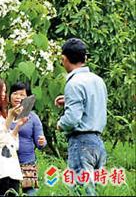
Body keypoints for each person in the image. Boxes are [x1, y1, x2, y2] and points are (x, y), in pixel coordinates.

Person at [54, 38, 107, 196]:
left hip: (81, 142)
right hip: (98, 142)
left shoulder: (74, 83)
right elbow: (93, 104)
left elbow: (72, 119)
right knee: (93, 190)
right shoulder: (98, 81)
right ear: (85, 58)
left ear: (64, 59)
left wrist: (60, 124)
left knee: (81, 190)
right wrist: (68, 100)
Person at [9, 81, 47, 196]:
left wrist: (42, 142)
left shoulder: (33, 118)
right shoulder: (5, 115)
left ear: (27, 98)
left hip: (27, 162)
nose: (17, 97)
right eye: (15, 93)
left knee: (30, 192)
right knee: (10, 192)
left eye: (22, 95)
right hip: (8, 162)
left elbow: (41, 142)